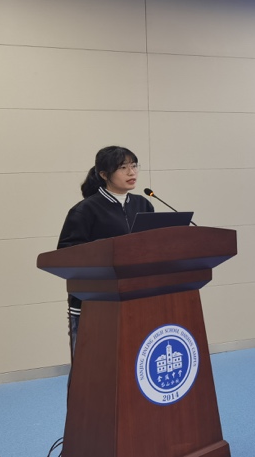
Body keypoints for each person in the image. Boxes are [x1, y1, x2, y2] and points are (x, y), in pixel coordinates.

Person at [57, 146, 154, 361]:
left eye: (134, 166)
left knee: (132, 364)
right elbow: (66, 254)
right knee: (91, 366)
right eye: (123, 167)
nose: (132, 172)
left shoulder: (143, 204)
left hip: (135, 297)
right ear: (104, 174)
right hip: (93, 302)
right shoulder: (85, 210)